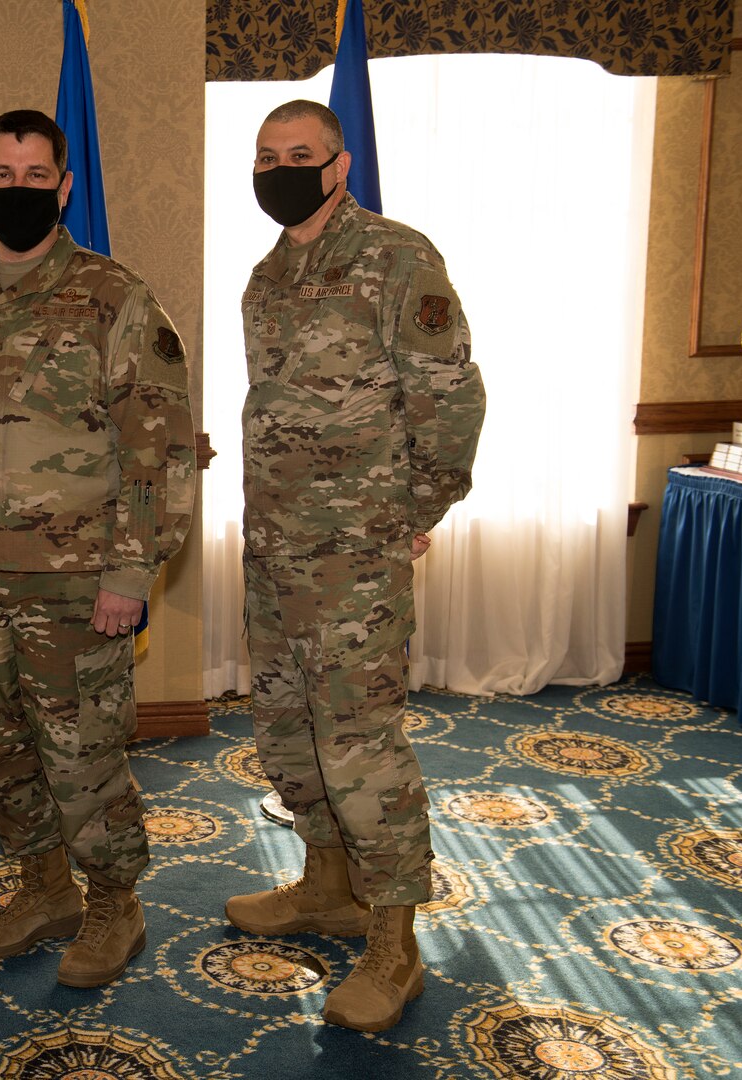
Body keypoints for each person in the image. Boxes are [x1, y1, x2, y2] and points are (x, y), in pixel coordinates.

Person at [0, 110, 195, 988]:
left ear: (63, 188)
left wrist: (132, 573)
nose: (15, 190)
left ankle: (112, 905)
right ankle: (43, 887)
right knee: (3, 755)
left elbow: (159, 451)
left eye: (35, 177)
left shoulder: (115, 299)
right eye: (1, 175)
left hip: (78, 585)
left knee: (85, 759)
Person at [225, 100, 486, 1032]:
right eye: (266, 155)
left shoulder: (396, 256)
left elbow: (451, 395)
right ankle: (325, 883)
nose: (281, 168)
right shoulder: (266, 277)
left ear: (340, 166)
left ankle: (395, 944)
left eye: (301, 154)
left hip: (355, 559)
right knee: (288, 732)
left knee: (361, 746)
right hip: (276, 551)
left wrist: (411, 511)